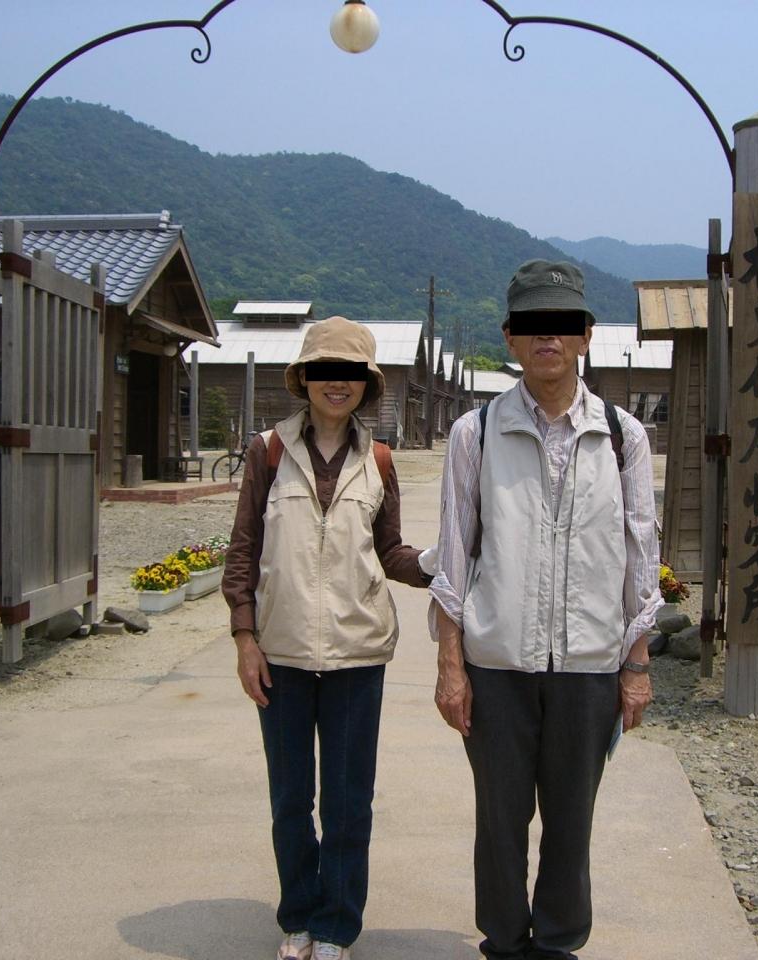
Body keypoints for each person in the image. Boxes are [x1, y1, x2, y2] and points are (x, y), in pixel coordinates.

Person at [430, 260, 661, 959]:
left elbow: (640, 555)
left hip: (589, 666)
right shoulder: (475, 433)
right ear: (511, 337)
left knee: (571, 822)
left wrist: (636, 664)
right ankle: (504, 943)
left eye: (562, 325)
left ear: (585, 336)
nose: (548, 339)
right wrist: (451, 666)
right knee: (499, 821)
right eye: (532, 326)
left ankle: (558, 944)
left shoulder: (622, 436)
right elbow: (454, 557)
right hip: (497, 663)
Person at [222, 316, 434, 960]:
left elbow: (390, 552)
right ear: (305, 379)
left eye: (350, 373)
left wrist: (438, 564)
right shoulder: (267, 452)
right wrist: (245, 638)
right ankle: (298, 918)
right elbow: (243, 551)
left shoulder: (379, 460)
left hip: (357, 654)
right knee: (290, 799)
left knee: (347, 802)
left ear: (366, 384)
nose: (336, 384)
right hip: (281, 654)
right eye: (324, 371)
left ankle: (338, 924)